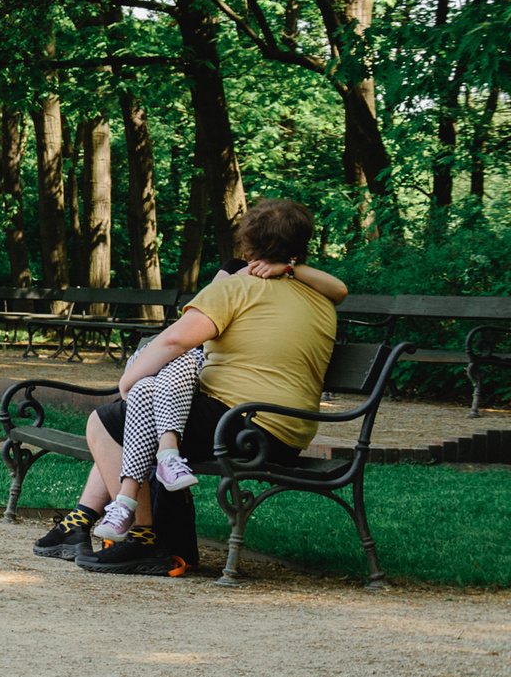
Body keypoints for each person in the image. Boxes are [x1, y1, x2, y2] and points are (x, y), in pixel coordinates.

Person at [32, 198, 348, 576]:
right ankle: (89, 521)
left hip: (241, 425)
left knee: (108, 419)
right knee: (138, 412)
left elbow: (173, 343)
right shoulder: (322, 298)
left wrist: (128, 381)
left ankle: (144, 540)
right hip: (287, 433)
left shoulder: (236, 286)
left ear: (247, 244)